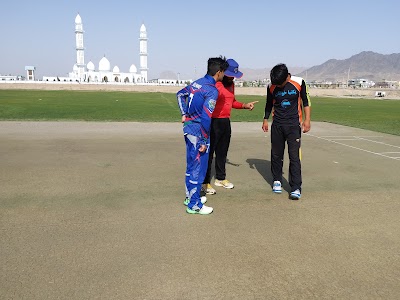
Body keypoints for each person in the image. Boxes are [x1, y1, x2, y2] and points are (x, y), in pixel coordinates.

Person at [176, 56, 229, 214]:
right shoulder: (212, 90)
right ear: (218, 72)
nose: (224, 76)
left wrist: (184, 113)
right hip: (198, 132)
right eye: (223, 72)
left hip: (188, 129)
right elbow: (207, 117)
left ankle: (190, 197)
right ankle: (194, 204)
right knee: (198, 168)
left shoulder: (196, 82)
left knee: (191, 166)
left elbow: (180, 95)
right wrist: (204, 140)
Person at [202, 58, 258, 194]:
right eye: (231, 76)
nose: (233, 79)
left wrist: (244, 105)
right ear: (223, 72)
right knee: (209, 154)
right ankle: (205, 182)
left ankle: (220, 178)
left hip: (225, 122)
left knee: (222, 152)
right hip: (213, 121)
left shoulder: (231, 85)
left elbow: (232, 102)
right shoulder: (214, 84)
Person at [262, 63, 311, 200]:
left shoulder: (299, 82)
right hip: (277, 125)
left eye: (280, 84)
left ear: (287, 77)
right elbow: (269, 103)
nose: (277, 86)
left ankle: (295, 187)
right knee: (276, 155)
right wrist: (265, 119)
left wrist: (307, 120)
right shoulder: (271, 86)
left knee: (294, 157)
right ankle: (277, 180)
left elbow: (306, 102)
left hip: (294, 126)